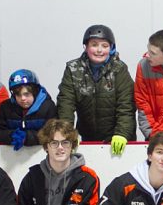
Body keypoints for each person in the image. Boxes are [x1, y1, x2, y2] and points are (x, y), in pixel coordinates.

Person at [57, 24, 136, 153]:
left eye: (104, 46)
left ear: (111, 48)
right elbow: (66, 104)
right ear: (86, 47)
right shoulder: (72, 69)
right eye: (94, 45)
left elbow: (126, 106)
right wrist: (68, 134)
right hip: (88, 138)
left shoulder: (119, 69)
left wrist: (122, 134)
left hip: (118, 139)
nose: (99, 50)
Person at [0, 69, 57, 150]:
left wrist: (26, 137)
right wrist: (12, 135)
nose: (23, 98)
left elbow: (52, 133)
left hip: (41, 154)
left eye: (26, 94)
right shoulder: (5, 106)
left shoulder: (48, 106)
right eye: (18, 95)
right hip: (11, 157)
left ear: (35, 92)